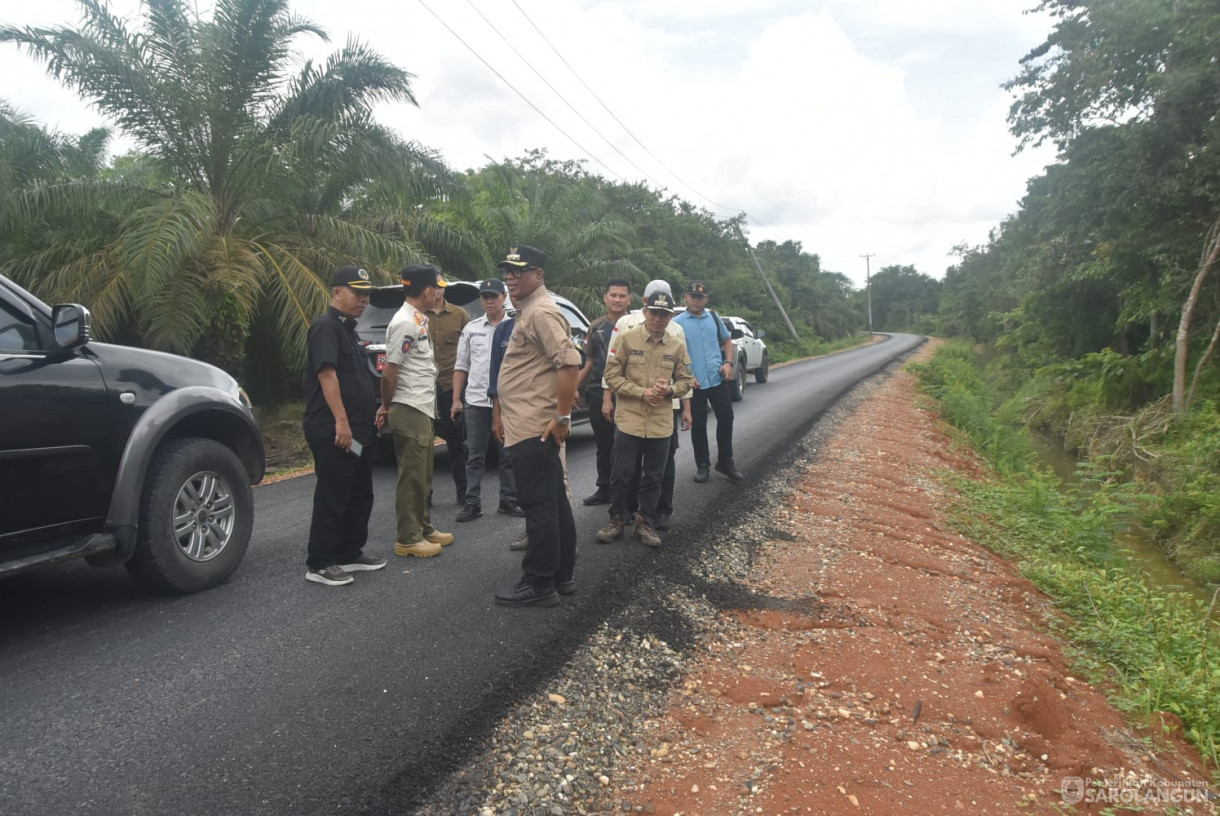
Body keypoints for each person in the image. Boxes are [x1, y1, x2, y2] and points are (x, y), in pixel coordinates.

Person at [493, 245, 582, 607]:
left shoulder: (542, 312)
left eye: (519, 271)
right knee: (554, 503)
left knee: (539, 506)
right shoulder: (529, 310)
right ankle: (561, 576)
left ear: (539, 275)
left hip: (536, 426)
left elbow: (570, 363)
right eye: (507, 271)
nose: (511, 277)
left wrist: (561, 417)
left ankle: (539, 583)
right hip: (528, 424)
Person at [302, 266, 387, 586]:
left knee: (359, 491)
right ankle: (320, 561)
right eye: (357, 292)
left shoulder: (348, 329)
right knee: (333, 494)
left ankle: (350, 551)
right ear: (337, 292)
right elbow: (327, 375)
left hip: (357, 429)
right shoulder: (326, 327)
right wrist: (341, 421)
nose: (363, 299)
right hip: (334, 429)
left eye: (366, 294)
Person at [598, 290, 694, 547]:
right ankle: (617, 519)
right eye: (654, 312)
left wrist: (670, 391)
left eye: (664, 314)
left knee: (654, 476)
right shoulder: (627, 339)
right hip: (629, 419)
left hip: (661, 423)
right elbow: (612, 376)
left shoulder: (677, 345)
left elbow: (687, 380)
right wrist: (642, 393)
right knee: (621, 473)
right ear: (645, 311)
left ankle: (646, 523)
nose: (658, 318)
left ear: (670, 316)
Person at [379, 264, 455, 558]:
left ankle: (423, 527)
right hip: (409, 405)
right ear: (427, 290)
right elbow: (389, 373)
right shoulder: (404, 323)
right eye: (437, 287)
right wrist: (386, 407)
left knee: (423, 473)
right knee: (411, 474)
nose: (439, 292)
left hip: (422, 405)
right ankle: (408, 537)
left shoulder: (417, 319)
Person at [451, 278, 517, 522]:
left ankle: (508, 500)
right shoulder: (472, 328)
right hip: (477, 402)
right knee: (475, 455)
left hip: (509, 402)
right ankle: (472, 503)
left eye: (494, 296)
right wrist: (456, 399)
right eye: (485, 296)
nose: (489, 300)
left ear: (504, 297)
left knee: (507, 454)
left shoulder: (515, 328)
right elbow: (461, 366)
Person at [673, 280, 743, 484]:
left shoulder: (713, 317)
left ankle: (726, 461)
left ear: (706, 299)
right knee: (698, 424)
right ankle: (702, 465)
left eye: (700, 297)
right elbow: (673, 353)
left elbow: (727, 341)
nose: (696, 300)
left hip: (717, 378)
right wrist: (685, 375)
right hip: (693, 382)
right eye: (692, 296)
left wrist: (728, 363)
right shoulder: (677, 323)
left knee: (726, 417)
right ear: (686, 297)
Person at [576, 278, 632, 506]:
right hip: (598, 391)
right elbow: (589, 359)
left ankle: (627, 493)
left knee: (627, 445)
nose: (617, 300)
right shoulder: (596, 326)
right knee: (604, 444)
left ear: (629, 299)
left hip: (628, 393)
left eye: (622, 296)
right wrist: (574, 388)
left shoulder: (636, 324)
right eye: (613, 295)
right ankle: (604, 489)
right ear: (605, 298)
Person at [425, 279, 472, 506]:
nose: (436, 290)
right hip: (423, 388)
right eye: (432, 286)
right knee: (423, 442)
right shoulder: (416, 315)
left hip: (450, 386)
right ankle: (425, 495)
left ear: (444, 288)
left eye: (440, 286)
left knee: (455, 442)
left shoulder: (459, 315)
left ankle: (463, 493)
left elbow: (471, 349)